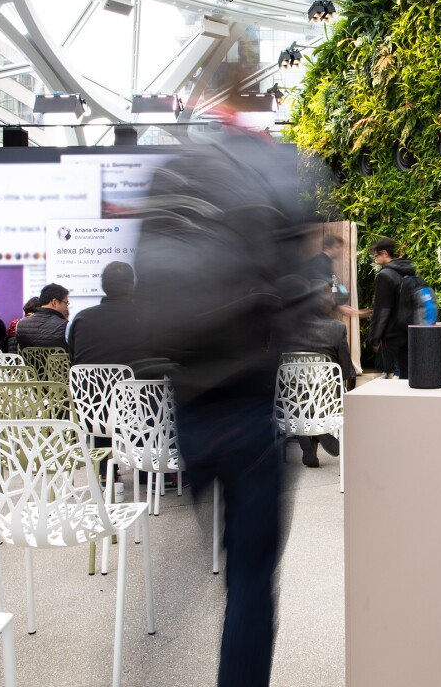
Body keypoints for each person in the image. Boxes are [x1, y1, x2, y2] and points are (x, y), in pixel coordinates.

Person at [134, 132, 318, 687]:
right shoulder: (265, 182)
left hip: (188, 411)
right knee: (251, 578)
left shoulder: (174, 178)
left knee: (223, 557)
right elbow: (298, 300)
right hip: (247, 406)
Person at [284, 284, 356, 467]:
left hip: (292, 401)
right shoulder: (336, 328)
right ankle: (319, 430)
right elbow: (346, 370)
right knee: (321, 391)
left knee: (301, 394)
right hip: (327, 398)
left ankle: (308, 440)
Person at [68, 261, 141, 366]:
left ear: (102, 286)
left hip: (88, 382)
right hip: (132, 382)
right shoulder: (143, 319)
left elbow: (73, 361)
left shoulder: (81, 319)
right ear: (132, 287)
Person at [368, 237, 419, 379]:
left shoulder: (385, 275)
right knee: (406, 374)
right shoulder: (408, 271)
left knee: (386, 377)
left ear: (384, 253)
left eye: (376, 255)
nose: (375, 259)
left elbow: (383, 309)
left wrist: (375, 336)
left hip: (392, 333)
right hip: (410, 329)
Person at [15, 284, 69, 350]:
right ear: (54, 302)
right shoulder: (66, 326)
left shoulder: (20, 324)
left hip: (30, 360)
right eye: (66, 303)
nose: (67, 307)